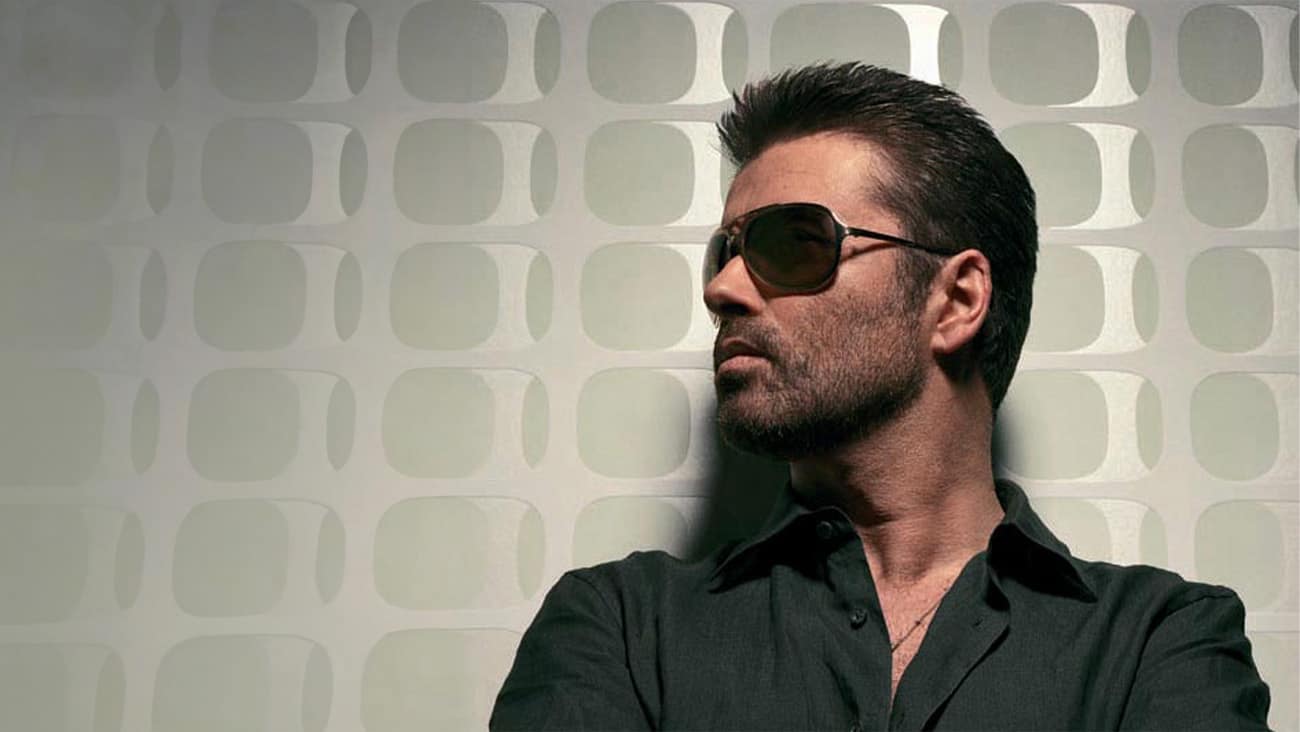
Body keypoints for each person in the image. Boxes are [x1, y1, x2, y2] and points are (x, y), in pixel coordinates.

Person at [490, 63, 1271, 730]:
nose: (723, 288)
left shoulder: (1158, 642)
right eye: (724, 252)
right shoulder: (621, 628)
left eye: (792, 242)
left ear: (956, 300)